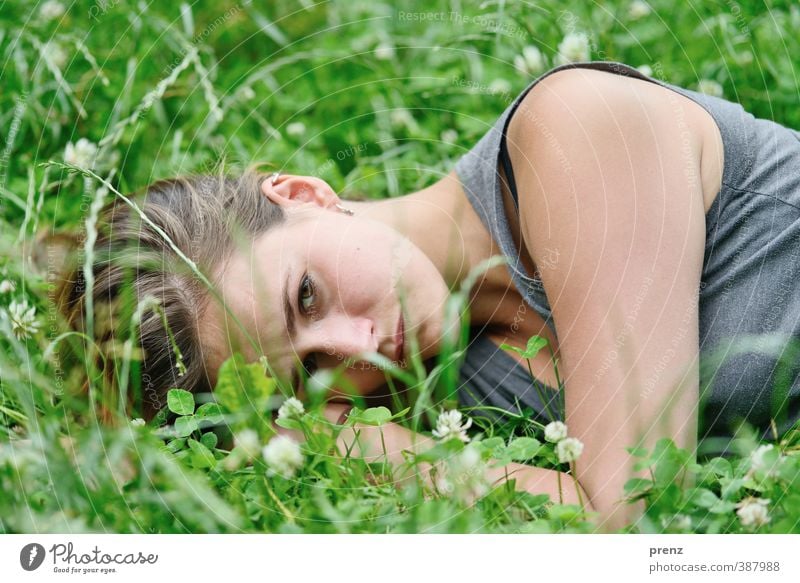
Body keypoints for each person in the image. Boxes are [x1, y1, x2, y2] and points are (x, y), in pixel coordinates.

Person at [57, 60, 800, 532]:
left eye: (307, 296)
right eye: (311, 374)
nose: (358, 348)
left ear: (302, 192)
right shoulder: (426, 391)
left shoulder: (576, 132)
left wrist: (361, 445)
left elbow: (636, 513)